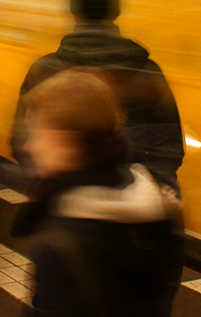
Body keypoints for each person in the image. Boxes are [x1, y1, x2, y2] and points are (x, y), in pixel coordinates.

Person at [12, 69, 183, 317]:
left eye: (36, 134)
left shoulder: (61, 240)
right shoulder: (159, 198)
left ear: (66, 142)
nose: (29, 146)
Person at [12, 0, 183, 189]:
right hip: (131, 198)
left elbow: (20, 141)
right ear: (116, 13)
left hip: (62, 197)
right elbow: (168, 144)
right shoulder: (147, 72)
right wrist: (148, 187)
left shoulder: (44, 70)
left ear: (74, 13)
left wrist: (47, 186)